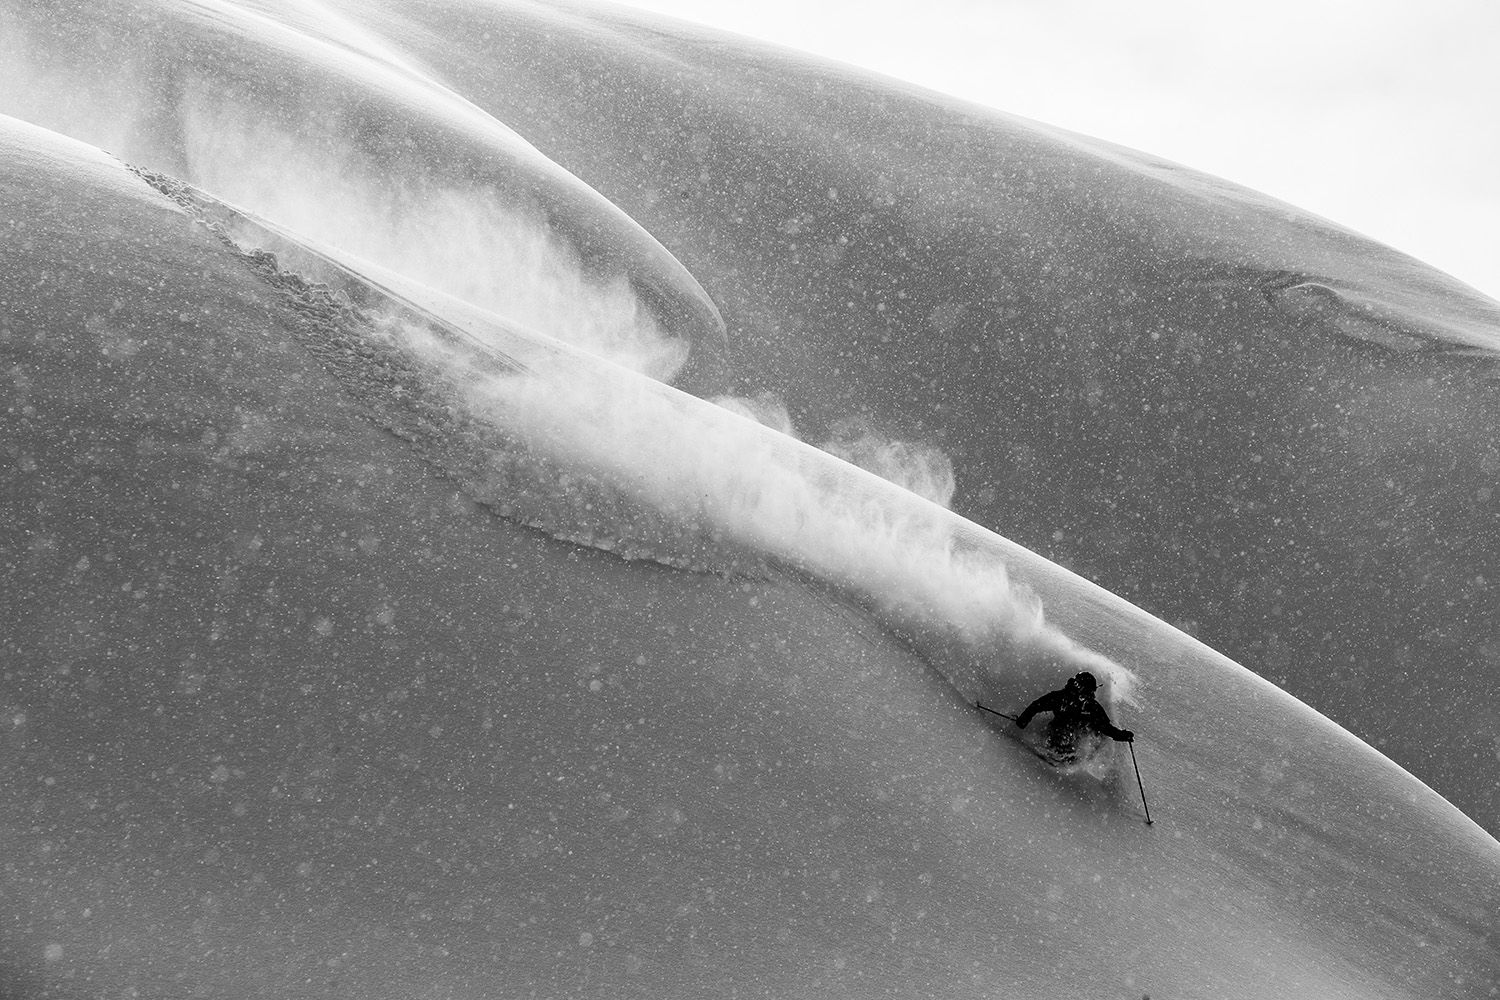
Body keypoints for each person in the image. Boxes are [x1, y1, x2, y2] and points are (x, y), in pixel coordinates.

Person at [1016, 671, 1133, 759]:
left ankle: (1063, 756)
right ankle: (1052, 751)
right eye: (1086, 690)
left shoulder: (1092, 707)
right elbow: (1038, 705)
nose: (1089, 694)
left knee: (1083, 735)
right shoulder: (1062, 697)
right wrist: (1024, 719)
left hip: (1075, 747)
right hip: (1054, 737)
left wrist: (1121, 735)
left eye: (1091, 691)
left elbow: (1105, 727)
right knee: (1060, 731)